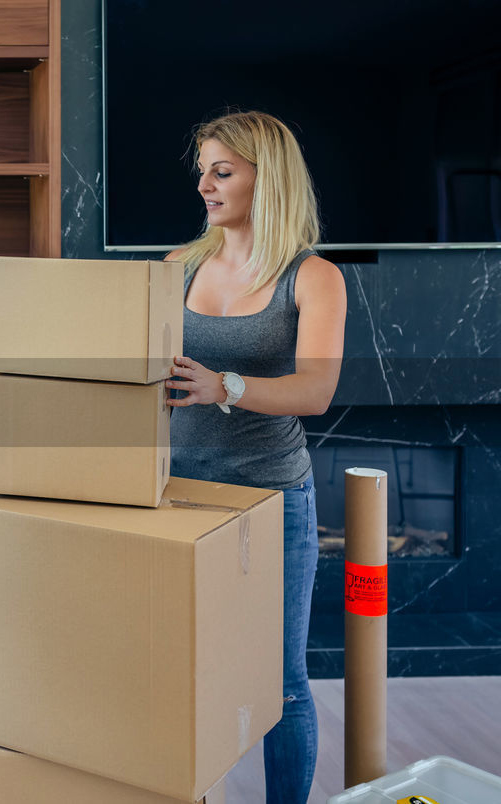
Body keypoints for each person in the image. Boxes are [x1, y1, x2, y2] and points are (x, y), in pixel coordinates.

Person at [164, 110, 346, 804]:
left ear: (264, 177)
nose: (206, 185)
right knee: (184, 671)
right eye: (203, 170)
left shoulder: (313, 276)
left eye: (223, 170)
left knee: (279, 680)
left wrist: (224, 386)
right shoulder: (177, 267)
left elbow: (316, 390)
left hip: (270, 500)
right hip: (177, 496)